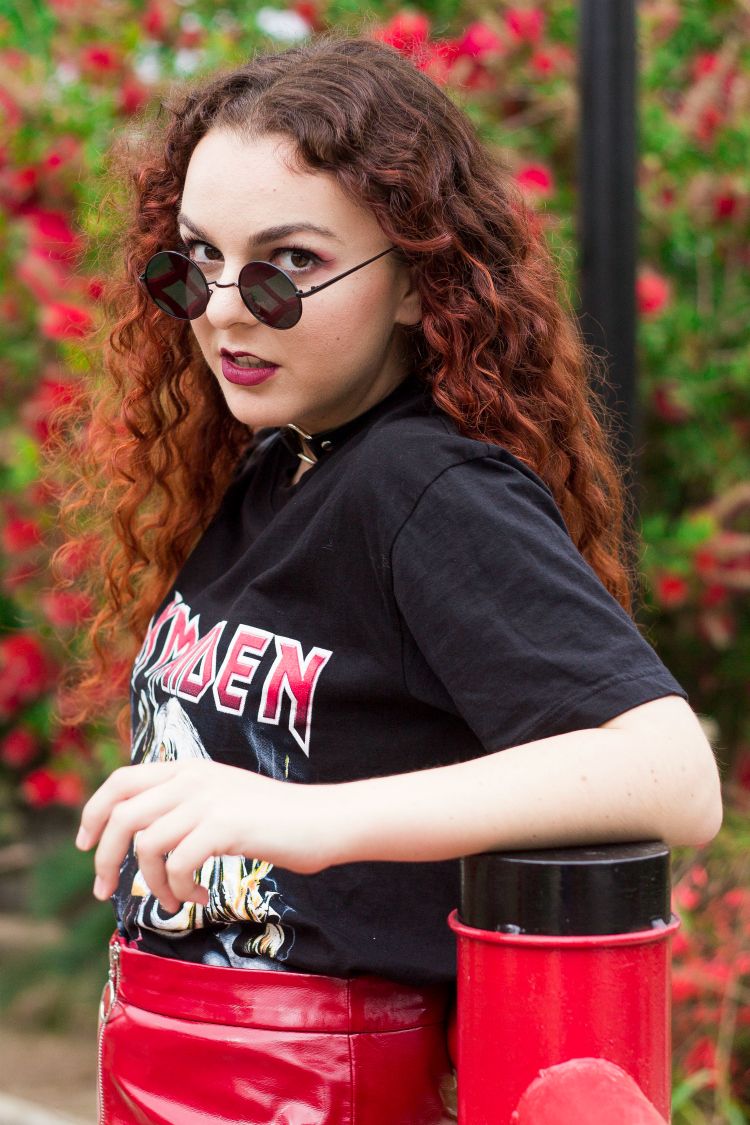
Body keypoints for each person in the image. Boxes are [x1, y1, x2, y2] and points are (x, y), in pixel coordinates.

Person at [51, 28, 722, 1125]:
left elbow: (670, 772)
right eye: (197, 258)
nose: (224, 307)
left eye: (290, 265)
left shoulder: (425, 487)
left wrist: (311, 818)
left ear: (417, 281)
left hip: (323, 1087)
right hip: (181, 1064)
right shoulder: (277, 462)